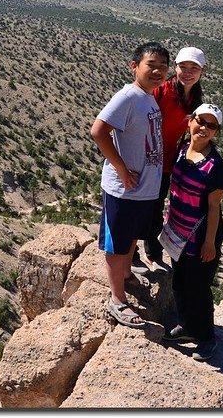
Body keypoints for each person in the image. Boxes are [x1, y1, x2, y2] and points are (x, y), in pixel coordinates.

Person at [90, 42, 168, 328]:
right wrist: (120, 167)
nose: (157, 71)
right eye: (151, 65)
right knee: (117, 243)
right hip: (123, 189)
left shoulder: (149, 97)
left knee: (132, 236)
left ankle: (125, 275)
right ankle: (117, 300)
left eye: (162, 66)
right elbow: (98, 131)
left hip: (144, 188)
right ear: (135, 66)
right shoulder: (128, 96)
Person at [162, 103, 223, 361]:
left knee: (199, 287)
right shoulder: (181, 148)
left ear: (216, 132)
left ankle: (206, 338)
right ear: (190, 121)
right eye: (200, 121)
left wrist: (209, 243)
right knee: (180, 282)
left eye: (211, 125)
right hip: (177, 229)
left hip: (200, 236)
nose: (203, 128)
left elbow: (214, 207)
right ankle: (186, 325)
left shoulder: (215, 165)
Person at [140, 46, 206, 273]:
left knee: (156, 206)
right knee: (143, 206)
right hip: (147, 159)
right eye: (183, 67)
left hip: (168, 162)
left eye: (194, 68)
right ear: (175, 68)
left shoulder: (194, 99)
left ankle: (152, 254)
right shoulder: (162, 90)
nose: (188, 72)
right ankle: (133, 256)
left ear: (202, 72)